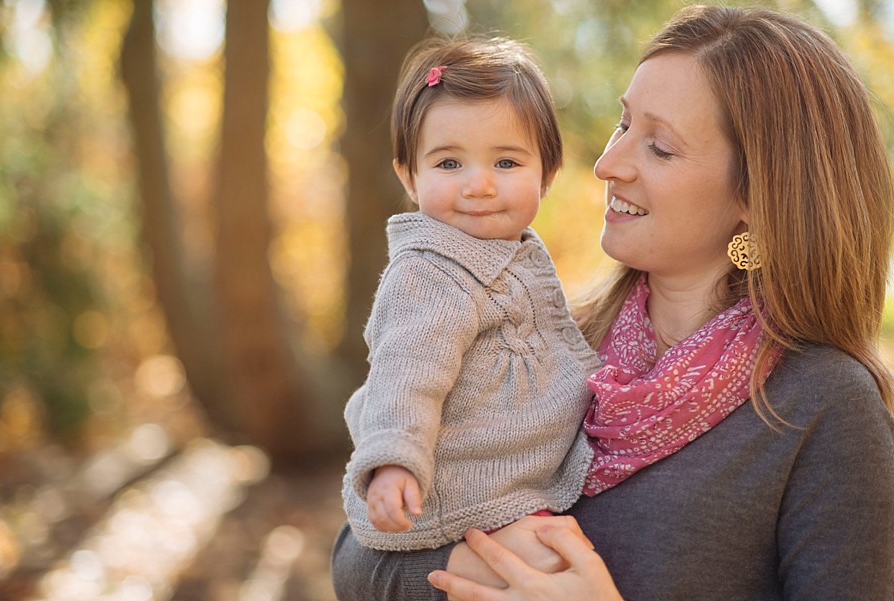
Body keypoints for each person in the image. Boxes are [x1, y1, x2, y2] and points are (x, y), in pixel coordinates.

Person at [331, 4, 894, 600]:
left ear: (758, 194)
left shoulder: (825, 406)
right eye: (624, 125)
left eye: (660, 147)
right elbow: (355, 557)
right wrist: (477, 570)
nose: (606, 164)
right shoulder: (553, 346)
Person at [340, 36, 601, 552]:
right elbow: (406, 373)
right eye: (449, 164)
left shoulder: (513, 256)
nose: (478, 185)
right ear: (409, 177)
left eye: (505, 163)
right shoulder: (430, 273)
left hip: (505, 489)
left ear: (546, 174)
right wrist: (393, 461)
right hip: (449, 501)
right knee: (550, 570)